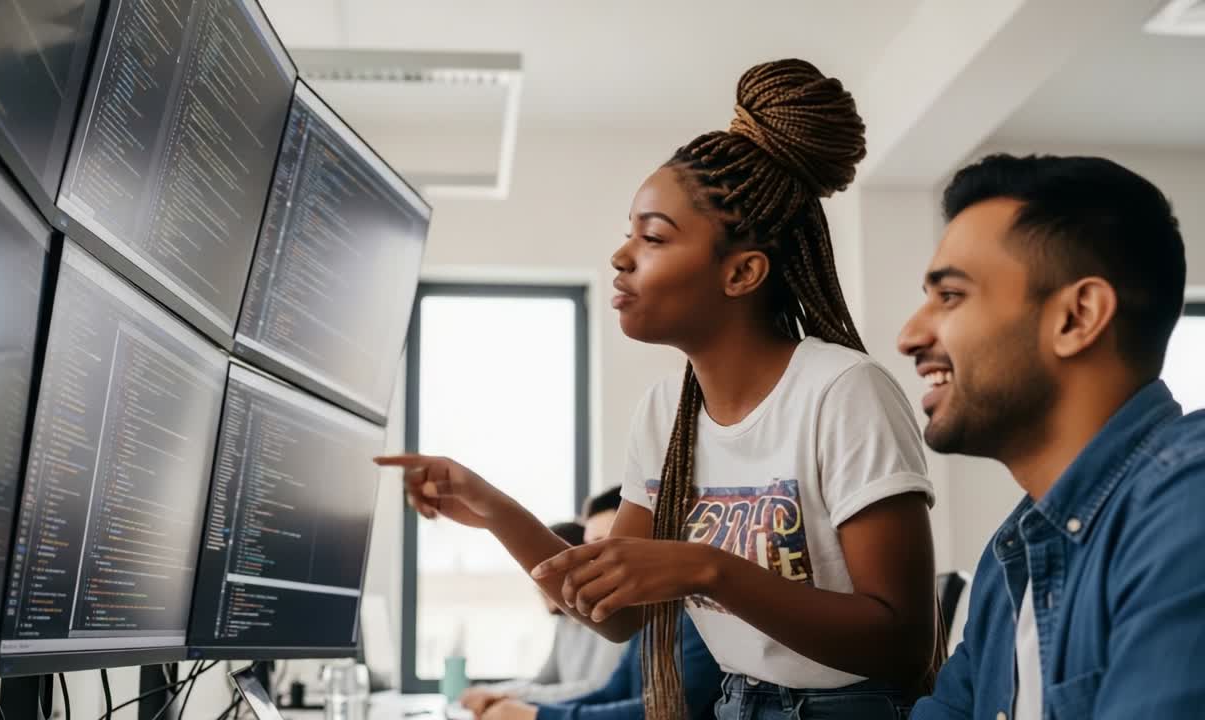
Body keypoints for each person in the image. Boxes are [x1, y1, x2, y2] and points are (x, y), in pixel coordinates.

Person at [379, 59, 940, 720]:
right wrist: (493, 509)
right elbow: (618, 614)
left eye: (652, 237)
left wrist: (709, 569)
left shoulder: (843, 392)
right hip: (737, 704)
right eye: (629, 234)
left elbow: (903, 642)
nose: (621, 256)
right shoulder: (665, 412)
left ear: (742, 273)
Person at [900, 154, 1205, 719]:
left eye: (950, 296)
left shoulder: (1189, 503)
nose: (909, 336)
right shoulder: (1013, 551)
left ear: (1077, 317)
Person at [461, 502, 624, 710]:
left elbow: (597, 689)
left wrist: (507, 695)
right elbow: (545, 679)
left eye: (546, 575)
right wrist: (493, 691)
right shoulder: (565, 622)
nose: (540, 587)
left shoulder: (612, 617)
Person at [477, 611, 722, 720]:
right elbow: (611, 693)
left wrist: (538, 715)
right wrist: (527, 709)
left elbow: (668, 712)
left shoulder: (696, 619)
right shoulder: (649, 616)